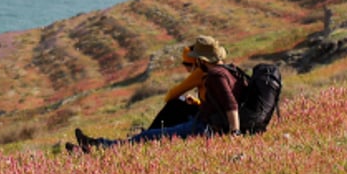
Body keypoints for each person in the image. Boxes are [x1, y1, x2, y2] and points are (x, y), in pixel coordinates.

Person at [72, 35, 244, 150]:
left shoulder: (214, 75)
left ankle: (99, 146)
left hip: (205, 127)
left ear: (200, 60)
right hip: (206, 122)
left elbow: (231, 104)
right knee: (153, 133)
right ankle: (97, 145)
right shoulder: (230, 70)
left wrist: (234, 133)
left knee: (146, 137)